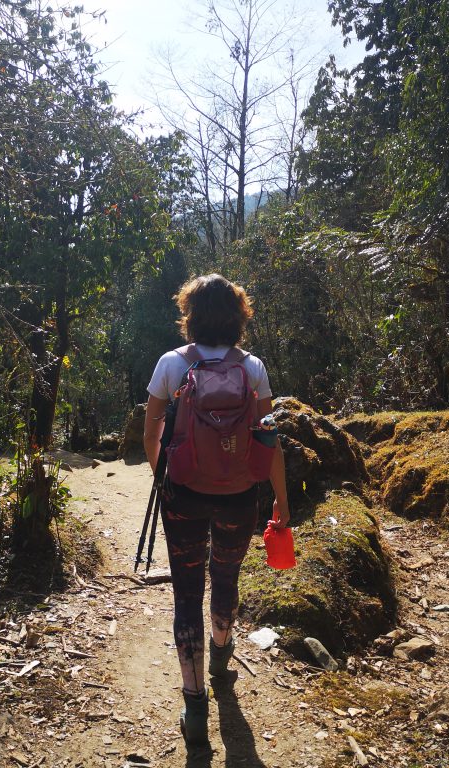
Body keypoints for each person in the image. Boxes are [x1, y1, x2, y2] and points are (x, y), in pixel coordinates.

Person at [142, 273, 290, 748]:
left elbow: (151, 431)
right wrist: (281, 503)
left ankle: (194, 703)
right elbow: (269, 439)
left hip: (184, 492)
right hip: (240, 492)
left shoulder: (170, 363)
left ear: (190, 315)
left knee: (186, 594)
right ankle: (223, 652)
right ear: (239, 317)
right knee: (225, 576)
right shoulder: (253, 369)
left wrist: (162, 477)